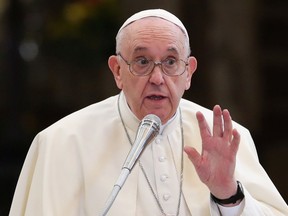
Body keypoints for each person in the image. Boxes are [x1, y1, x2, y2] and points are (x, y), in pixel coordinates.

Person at [9, 8, 288, 216]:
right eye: (142, 61)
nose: (157, 77)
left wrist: (229, 195)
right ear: (117, 71)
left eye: (170, 61)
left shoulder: (229, 138)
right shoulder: (62, 142)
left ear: (188, 72)